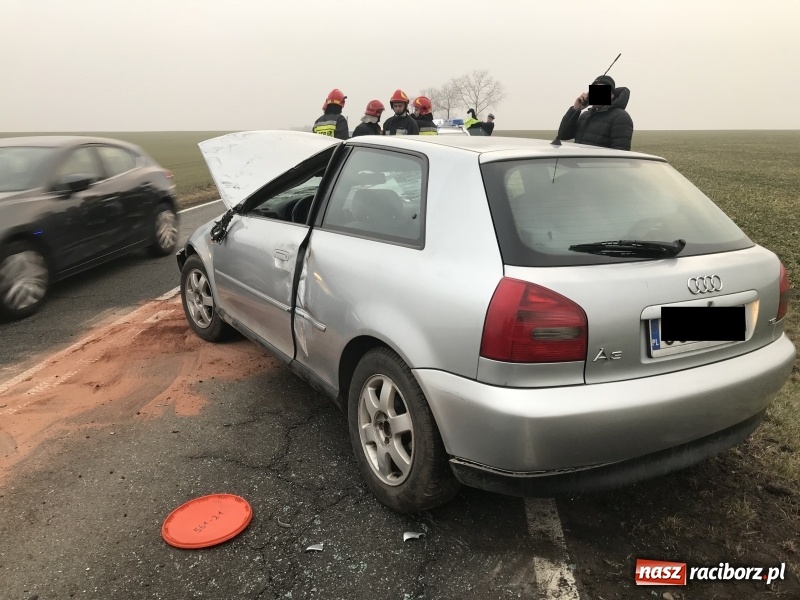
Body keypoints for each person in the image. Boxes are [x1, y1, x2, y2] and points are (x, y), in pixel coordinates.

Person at [557, 75, 633, 150]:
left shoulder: (620, 117)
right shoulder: (585, 116)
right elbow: (563, 135)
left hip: (598, 162)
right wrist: (576, 109)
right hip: (579, 162)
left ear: (612, 95)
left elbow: (620, 154)